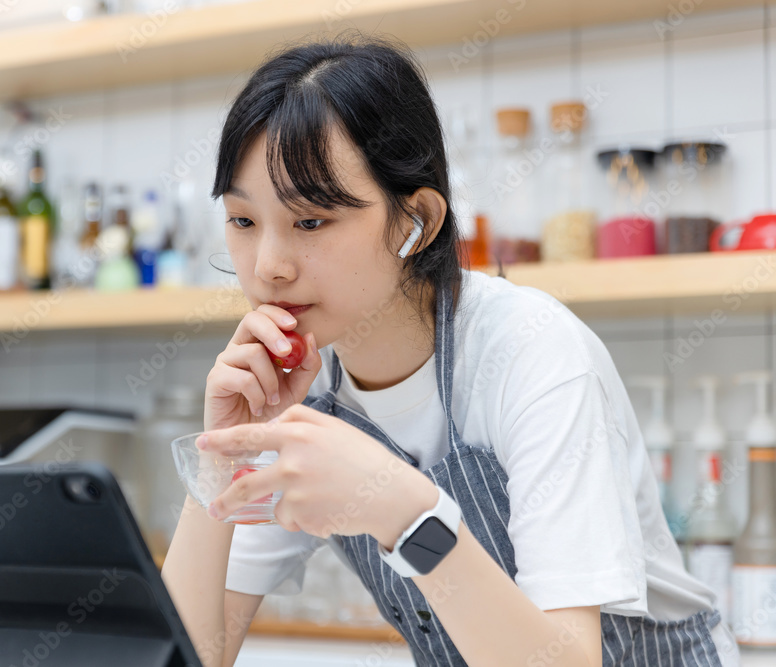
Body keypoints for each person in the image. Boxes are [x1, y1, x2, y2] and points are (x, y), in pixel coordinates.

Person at [160, 33, 738, 667]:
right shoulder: (300, 392)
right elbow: (193, 656)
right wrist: (216, 461)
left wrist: (404, 512)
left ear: (418, 222)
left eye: (310, 221)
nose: (267, 267)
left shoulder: (530, 352)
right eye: (243, 222)